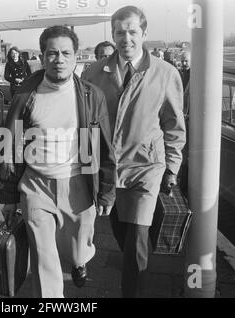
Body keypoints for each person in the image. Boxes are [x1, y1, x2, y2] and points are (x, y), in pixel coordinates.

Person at [0, 25, 116, 298]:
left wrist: (107, 191)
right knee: (44, 259)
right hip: (36, 187)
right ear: (42, 56)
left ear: (76, 57)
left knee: (78, 248)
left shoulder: (91, 96)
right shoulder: (26, 95)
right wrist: (8, 196)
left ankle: (80, 260)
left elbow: (104, 147)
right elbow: (8, 144)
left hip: (79, 185)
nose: (59, 59)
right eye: (52, 53)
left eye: (66, 53)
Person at [81, 5, 186, 298]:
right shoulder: (93, 72)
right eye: (119, 32)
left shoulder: (165, 73)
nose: (126, 38)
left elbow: (174, 125)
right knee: (122, 233)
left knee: (137, 239)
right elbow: (85, 123)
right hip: (108, 170)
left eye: (132, 31)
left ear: (144, 33)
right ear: (112, 35)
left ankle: (133, 291)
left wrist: (173, 168)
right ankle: (134, 262)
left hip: (147, 167)